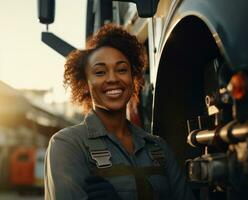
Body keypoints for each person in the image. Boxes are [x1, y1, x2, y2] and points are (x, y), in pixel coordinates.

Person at [44, 24, 195, 200]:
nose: (113, 78)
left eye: (122, 70)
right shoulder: (68, 145)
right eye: (100, 72)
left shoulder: (158, 147)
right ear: (85, 83)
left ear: (133, 78)